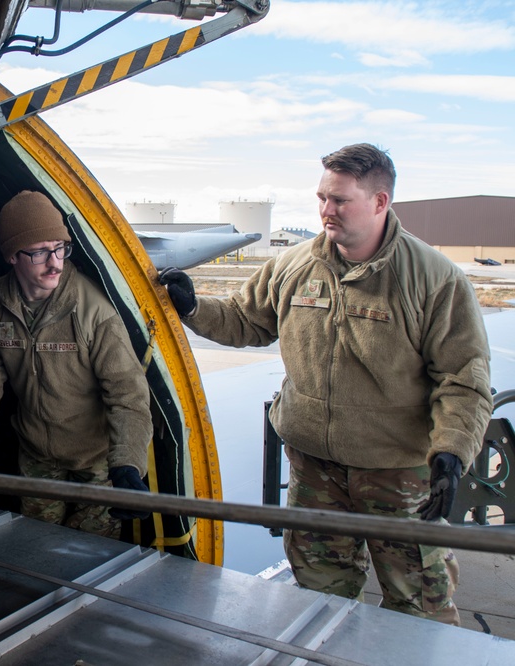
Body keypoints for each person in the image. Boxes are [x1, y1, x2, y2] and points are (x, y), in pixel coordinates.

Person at [159, 143, 493, 625]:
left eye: (340, 200)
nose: (325, 211)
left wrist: (452, 451)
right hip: (315, 472)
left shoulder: (432, 279)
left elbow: (464, 377)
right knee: (320, 600)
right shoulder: (295, 265)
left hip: (397, 476)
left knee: (419, 603)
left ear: (380, 202)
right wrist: (194, 309)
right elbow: (246, 320)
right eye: (321, 198)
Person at [0, 190, 154, 538]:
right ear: (13, 255)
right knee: (37, 546)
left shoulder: (94, 312)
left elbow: (128, 396)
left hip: (97, 463)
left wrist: (128, 467)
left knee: (92, 555)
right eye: (41, 252)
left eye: (60, 248)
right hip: (37, 458)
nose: (55, 262)